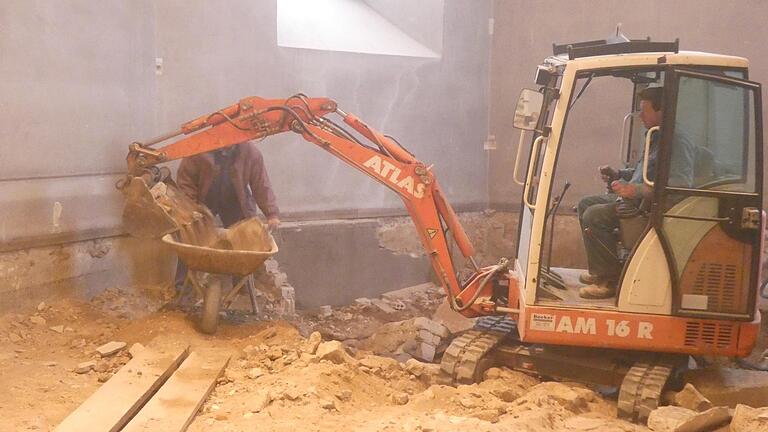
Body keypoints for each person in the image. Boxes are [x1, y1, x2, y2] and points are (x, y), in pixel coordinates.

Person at [577, 86, 694, 299]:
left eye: (644, 110)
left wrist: (635, 190)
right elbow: (644, 171)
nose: (640, 116)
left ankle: (609, 281)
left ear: (661, 111)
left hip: (649, 208)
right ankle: (601, 269)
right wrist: (619, 173)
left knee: (594, 215)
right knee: (585, 203)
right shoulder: (656, 135)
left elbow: (682, 183)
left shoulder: (677, 140)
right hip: (636, 199)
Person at [173, 142, 280, 293]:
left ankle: (241, 287)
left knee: (244, 244)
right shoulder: (199, 149)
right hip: (204, 199)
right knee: (189, 238)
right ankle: (183, 286)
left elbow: (261, 184)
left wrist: (272, 213)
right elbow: (186, 181)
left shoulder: (250, 152)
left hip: (236, 199)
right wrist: (190, 209)